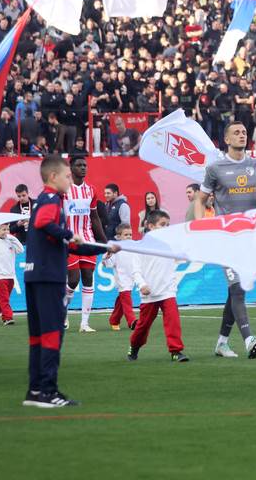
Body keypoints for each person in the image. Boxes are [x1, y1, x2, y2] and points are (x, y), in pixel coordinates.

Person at [24, 156, 117, 407]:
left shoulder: (43, 201)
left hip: (34, 275)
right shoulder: (52, 199)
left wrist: (104, 247)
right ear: (53, 177)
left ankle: (35, 391)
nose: (70, 180)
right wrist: (69, 234)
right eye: (66, 176)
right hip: (49, 277)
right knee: (53, 334)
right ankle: (48, 391)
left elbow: (70, 247)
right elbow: (46, 223)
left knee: (38, 337)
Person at [194, 121, 256, 359]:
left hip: (250, 238)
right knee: (237, 287)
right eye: (236, 133)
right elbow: (200, 199)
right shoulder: (215, 168)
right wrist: (201, 226)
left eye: (244, 132)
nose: (242, 135)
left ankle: (221, 342)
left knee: (236, 292)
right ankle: (249, 339)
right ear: (227, 140)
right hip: (226, 238)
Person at [127, 211, 188, 363]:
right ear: (150, 226)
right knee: (143, 326)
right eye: (162, 225)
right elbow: (135, 271)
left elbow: (181, 258)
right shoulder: (140, 246)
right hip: (149, 294)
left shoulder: (171, 245)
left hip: (168, 291)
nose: (166, 228)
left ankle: (176, 351)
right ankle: (134, 346)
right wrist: (142, 285)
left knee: (173, 321)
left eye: (168, 225)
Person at [63, 155, 105, 333]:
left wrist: (104, 242)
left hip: (88, 240)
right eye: (79, 165)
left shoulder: (91, 190)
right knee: (73, 279)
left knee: (88, 277)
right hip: (69, 241)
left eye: (85, 165)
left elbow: (94, 218)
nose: (83, 168)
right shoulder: (63, 190)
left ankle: (84, 323)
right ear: (71, 168)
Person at [105, 223, 138, 331]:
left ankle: (114, 320)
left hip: (131, 278)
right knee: (127, 300)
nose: (129, 237)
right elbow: (108, 264)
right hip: (121, 279)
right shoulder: (115, 250)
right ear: (119, 237)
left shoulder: (134, 246)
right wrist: (107, 257)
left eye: (130, 235)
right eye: (126, 235)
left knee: (122, 301)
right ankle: (132, 321)